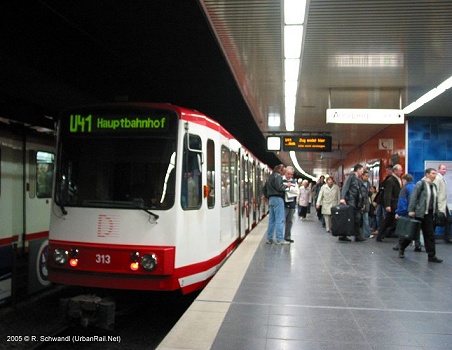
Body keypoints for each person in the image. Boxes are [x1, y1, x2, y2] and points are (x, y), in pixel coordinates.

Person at [398, 168, 444, 263]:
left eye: (435, 174)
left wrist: (436, 211)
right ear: (427, 174)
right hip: (419, 213)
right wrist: (411, 210)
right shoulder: (421, 184)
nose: (434, 175)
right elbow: (414, 197)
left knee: (430, 235)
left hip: (429, 214)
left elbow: (434, 200)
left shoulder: (434, 186)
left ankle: (431, 255)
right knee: (412, 233)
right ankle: (402, 248)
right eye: (432, 173)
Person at [392, 174, 421, 252]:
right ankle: (418, 245)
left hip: (407, 212)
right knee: (415, 229)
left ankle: (400, 246)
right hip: (416, 212)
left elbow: (402, 202)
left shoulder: (404, 189)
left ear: (404, 180)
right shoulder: (416, 187)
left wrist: (399, 212)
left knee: (404, 230)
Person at [339, 164, 366, 242]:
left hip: (356, 202)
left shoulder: (357, 179)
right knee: (351, 218)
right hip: (351, 201)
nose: (362, 172)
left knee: (356, 218)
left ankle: (356, 236)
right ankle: (344, 235)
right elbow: (345, 187)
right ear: (358, 169)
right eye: (361, 170)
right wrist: (342, 198)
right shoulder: (351, 177)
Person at [376, 164, 403, 242]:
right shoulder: (391, 180)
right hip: (393, 203)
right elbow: (388, 193)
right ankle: (401, 236)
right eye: (400, 170)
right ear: (395, 171)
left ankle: (381, 235)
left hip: (395, 203)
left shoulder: (397, 179)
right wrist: (387, 205)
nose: (401, 172)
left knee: (388, 220)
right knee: (391, 220)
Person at [265, 164, 291, 245]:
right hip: (278, 199)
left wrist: (268, 197)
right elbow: (279, 187)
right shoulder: (278, 176)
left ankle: (269, 238)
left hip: (271, 199)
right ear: (280, 170)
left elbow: (264, 189)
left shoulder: (270, 177)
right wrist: (287, 187)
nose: (285, 172)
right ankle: (280, 239)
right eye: (284, 170)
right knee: (280, 220)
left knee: (271, 220)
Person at [434, 164, 451, 243]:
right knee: (437, 221)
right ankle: (432, 237)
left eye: (445, 169)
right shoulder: (438, 178)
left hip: (443, 204)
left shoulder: (442, 178)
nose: (445, 171)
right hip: (440, 204)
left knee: (448, 220)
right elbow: (436, 191)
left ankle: (447, 237)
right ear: (439, 169)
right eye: (443, 169)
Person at [375, 164, 393, 233]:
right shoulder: (387, 178)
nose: (387, 171)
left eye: (388, 170)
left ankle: (383, 230)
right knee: (379, 215)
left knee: (384, 216)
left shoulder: (391, 179)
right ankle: (381, 229)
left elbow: (383, 187)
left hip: (385, 201)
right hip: (381, 200)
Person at [283, 166, 298, 243]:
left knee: (289, 221)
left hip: (292, 204)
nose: (290, 176)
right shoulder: (281, 180)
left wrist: (288, 190)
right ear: (285, 173)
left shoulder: (294, 182)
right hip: (283, 204)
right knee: (282, 220)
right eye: (288, 174)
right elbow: (281, 190)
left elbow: (297, 192)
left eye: (291, 174)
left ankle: (287, 236)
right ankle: (280, 236)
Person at [360, 170, 372, 239]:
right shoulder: (359, 183)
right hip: (360, 203)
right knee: (360, 219)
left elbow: (368, 195)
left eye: (368, 176)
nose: (367, 177)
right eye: (366, 176)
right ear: (362, 176)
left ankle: (366, 233)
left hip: (366, 203)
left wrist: (370, 192)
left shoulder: (368, 184)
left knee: (366, 219)